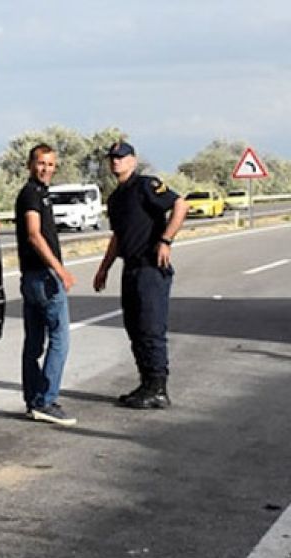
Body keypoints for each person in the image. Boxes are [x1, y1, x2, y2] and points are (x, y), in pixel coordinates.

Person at [93, 140, 187, 409]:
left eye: (121, 157)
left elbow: (180, 205)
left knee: (150, 328)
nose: (116, 162)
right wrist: (104, 268)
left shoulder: (146, 185)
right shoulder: (116, 198)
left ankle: (159, 387)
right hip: (131, 266)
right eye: (112, 158)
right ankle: (146, 383)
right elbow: (118, 237)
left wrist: (166, 240)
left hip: (151, 267)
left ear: (133, 160)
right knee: (134, 328)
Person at [15, 144, 77, 426]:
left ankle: (33, 399)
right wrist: (60, 270)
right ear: (30, 164)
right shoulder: (30, 194)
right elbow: (34, 235)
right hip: (42, 276)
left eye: (51, 164)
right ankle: (45, 400)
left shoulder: (41, 193)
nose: (46, 169)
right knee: (60, 339)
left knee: (34, 341)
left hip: (33, 277)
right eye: (41, 163)